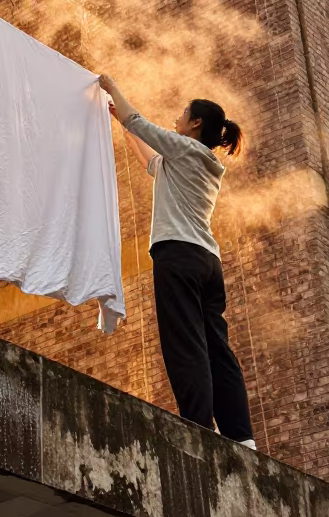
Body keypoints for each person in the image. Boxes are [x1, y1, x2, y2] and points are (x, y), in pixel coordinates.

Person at [98, 74, 255, 449]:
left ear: (196, 123)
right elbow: (151, 161)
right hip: (207, 262)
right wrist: (122, 126)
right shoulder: (196, 162)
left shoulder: (186, 150)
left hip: (179, 256)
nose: (178, 117)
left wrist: (112, 85)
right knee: (216, 346)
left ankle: (200, 427)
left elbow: (140, 123)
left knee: (185, 342)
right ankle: (242, 437)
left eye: (184, 114)